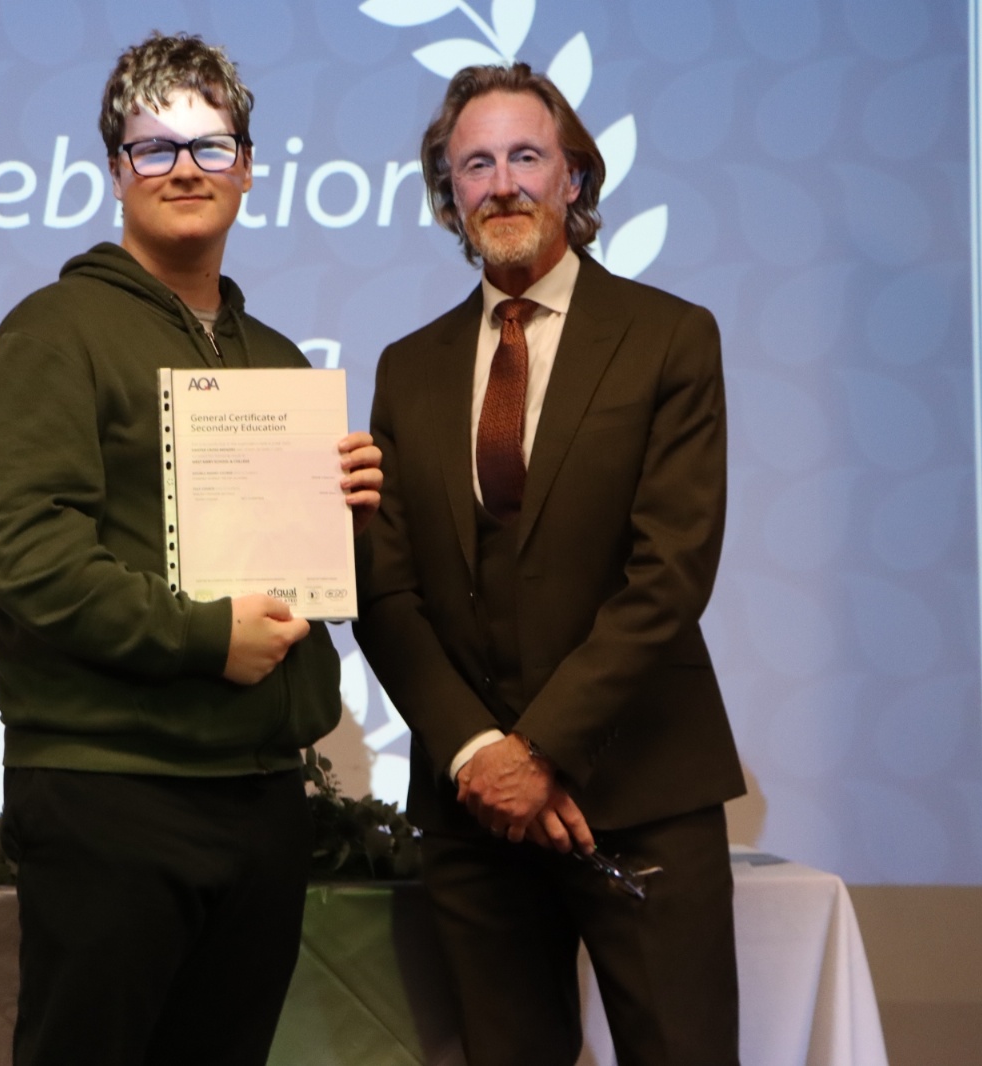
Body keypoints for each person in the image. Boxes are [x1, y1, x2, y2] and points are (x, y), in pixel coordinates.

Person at [0, 33, 381, 1066]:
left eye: (210, 144)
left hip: (261, 793)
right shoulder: (55, 330)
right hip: (110, 790)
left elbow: (299, 581)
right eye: (155, 147)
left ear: (247, 168)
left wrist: (349, 522)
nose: (185, 168)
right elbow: (22, 546)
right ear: (117, 171)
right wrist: (204, 638)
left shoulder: (278, 361)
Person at [356, 62, 744, 1065]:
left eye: (525, 157)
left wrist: (541, 752)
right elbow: (386, 591)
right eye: (474, 165)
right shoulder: (407, 368)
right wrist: (479, 756)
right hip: (475, 820)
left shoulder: (669, 339)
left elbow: (670, 571)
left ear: (573, 176)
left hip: (643, 791)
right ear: (449, 194)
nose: (502, 185)